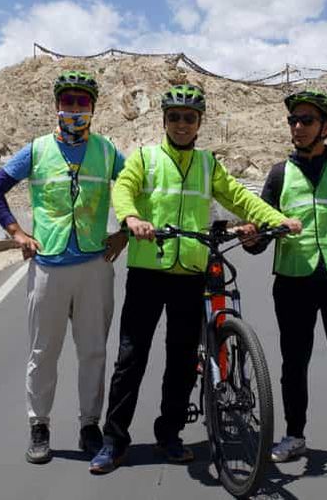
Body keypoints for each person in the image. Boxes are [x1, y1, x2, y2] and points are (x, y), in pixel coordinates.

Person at [88, 84, 302, 474]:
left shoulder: (208, 164)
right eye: (175, 118)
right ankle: (114, 440)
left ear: (199, 122)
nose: (182, 124)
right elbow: (124, 190)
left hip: (190, 275)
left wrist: (276, 219)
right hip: (148, 273)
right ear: (164, 121)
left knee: (182, 360)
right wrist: (132, 218)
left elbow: (239, 197)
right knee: (130, 359)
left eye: (189, 118)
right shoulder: (145, 157)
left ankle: (169, 435)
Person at [0, 70, 128, 464]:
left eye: (83, 102)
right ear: (57, 106)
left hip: (95, 265)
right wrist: (16, 233)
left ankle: (88, 426)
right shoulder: (36, 150)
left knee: (93, 351)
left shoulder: (108, 151)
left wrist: (125, 233)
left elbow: (136, 188)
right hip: (48, 267)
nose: (75, 109)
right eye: (69, 102)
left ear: (93, 108)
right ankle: (39, 426)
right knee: (43, 351)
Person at [245, 89, 327, 471]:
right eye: (293, 121)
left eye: (306, 120)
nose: (298, 127)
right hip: (293, 282)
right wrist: (253, 237)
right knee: (294, 363)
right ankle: (295, 437)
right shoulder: (278, 174)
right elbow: (263, 235)